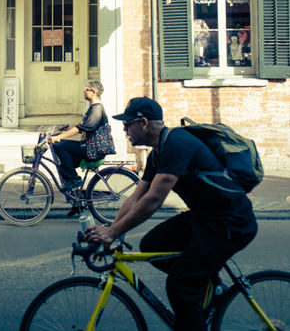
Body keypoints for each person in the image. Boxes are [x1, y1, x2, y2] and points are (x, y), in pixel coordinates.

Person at [84, 97, 257, 331]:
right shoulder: (158, 152)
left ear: (143, 123)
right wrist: (113, 232)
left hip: (230, 223)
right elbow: (137, 197)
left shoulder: (177, 143)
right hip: (205, 217)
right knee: (153, 244)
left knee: (180, 285)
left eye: (128, 124)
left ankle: (197, 299)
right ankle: (209, 285)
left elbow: (154, 200)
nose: (125, 130)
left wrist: (113, 231)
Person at [47, 80, 109, 192]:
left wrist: (59, 137)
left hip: (93, 148)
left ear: (93, 92)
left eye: (87, 89)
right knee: (63, 165)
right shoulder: (93, 108)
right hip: (89, 146)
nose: (84, 91)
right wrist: (69, 127)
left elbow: (82, 128)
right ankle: (75, 200)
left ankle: (74, 179)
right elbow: (86, 127)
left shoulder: (97, 109)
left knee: (60, 145)